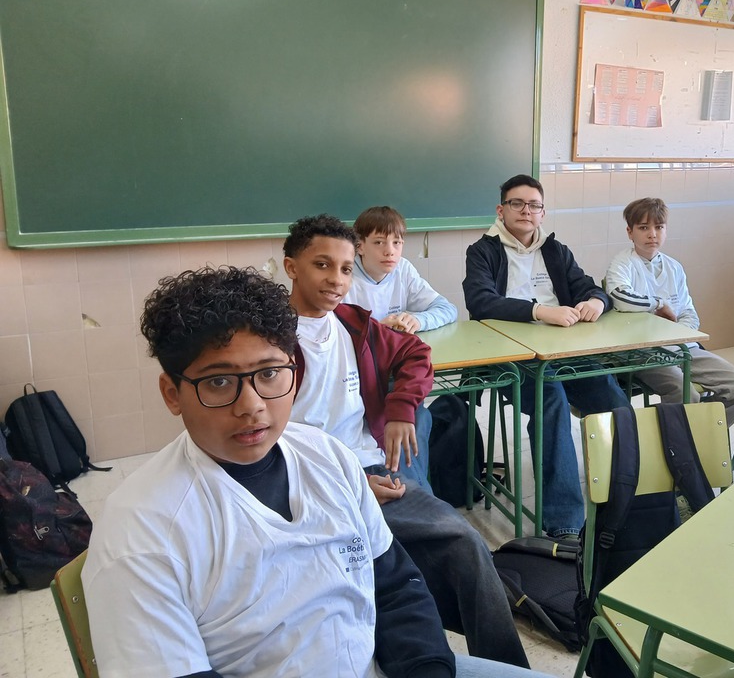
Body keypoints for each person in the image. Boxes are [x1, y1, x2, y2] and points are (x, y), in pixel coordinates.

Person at [82, 266, 549, 678]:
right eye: (219, 381)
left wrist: (426, 668)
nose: (252, 406)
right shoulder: (143, 530)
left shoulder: (328, 457)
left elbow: (394, 588)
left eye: (269, 374)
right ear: (172, 394)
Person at [283, 215, 529, 668]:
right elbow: (265, 444)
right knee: (356, 572)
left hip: (373, 470)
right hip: (308, 485)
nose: (336, 280)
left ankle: (508, 667)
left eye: (344, 268)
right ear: (291, 267)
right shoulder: (271, 341)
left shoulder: (353, 325)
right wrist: (349, 485)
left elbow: (416, 353)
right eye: (322, 265)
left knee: (465, 541)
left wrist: (401, 410)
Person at [463, 174, 631, 539]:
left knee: (610, 394)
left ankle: (629, 496)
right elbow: (480, 301)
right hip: (510, 355)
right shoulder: (483, 251)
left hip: (562, 349)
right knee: (550, 398)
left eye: (534, 205)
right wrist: (539, 311)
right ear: (501, 210)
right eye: (517, 203)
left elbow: (587, 286)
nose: (526, 211)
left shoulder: (555, 250)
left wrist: (595, 301)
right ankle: (564, 523)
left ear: (543, 213)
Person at [604, 197, 734, 426]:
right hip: (644, 353)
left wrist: (676, 335)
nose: (652, 234)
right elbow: (621, 298)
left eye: (659, 227)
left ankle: (701, 437)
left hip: (682, 348)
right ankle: (678, 440)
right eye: (643, 228)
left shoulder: (674, 267)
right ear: (630, 232)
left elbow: (689, 313)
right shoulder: (622, 263)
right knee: (686, 394)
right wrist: (659, 304)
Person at [346, 205, 457, 333]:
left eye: (396, 242)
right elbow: (332, 329)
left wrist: (418, 320)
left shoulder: (403, 269)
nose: (390, 251)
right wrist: (376, 329)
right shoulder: (343, 274)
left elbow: (447, 309)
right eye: (379, 242)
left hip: (394, 344)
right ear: (359, 247)